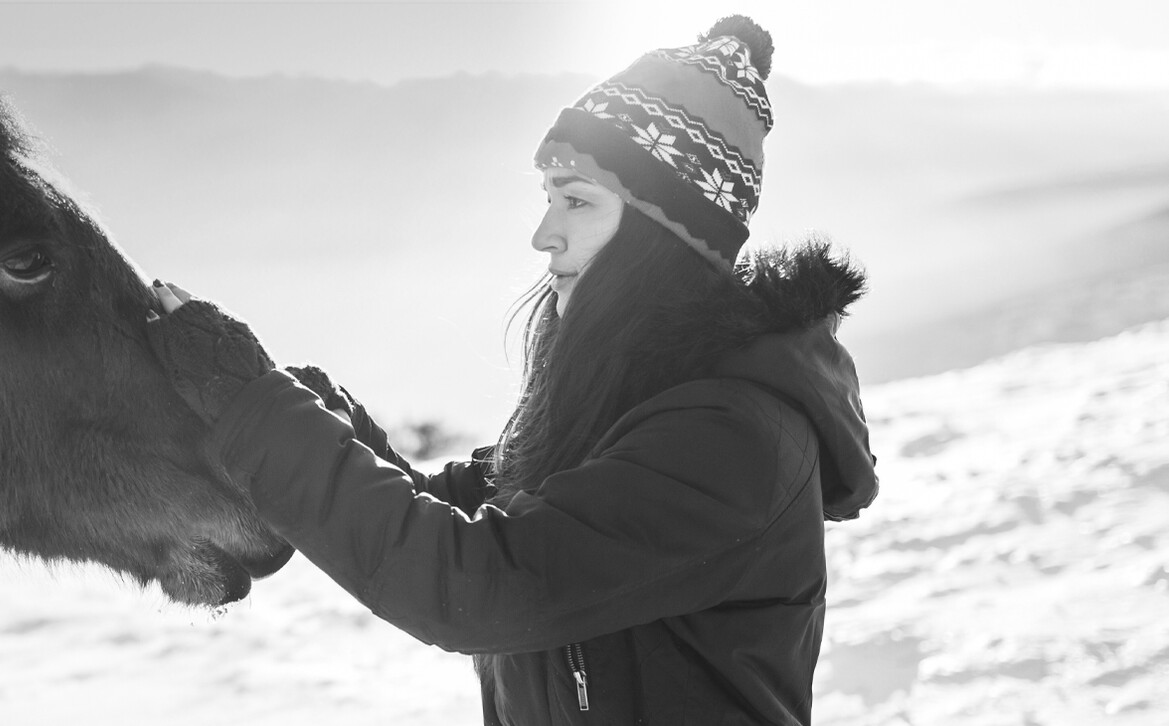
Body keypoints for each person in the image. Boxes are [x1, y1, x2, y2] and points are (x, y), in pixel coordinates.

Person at [144, 15, 879, 726]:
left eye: (577, 201)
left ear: (665, 236)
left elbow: (479, 582)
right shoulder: (628, 399)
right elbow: (454, 510)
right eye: (547, 197)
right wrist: (309, 408)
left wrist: (261, 411)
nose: (542, 232)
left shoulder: (730, 439)